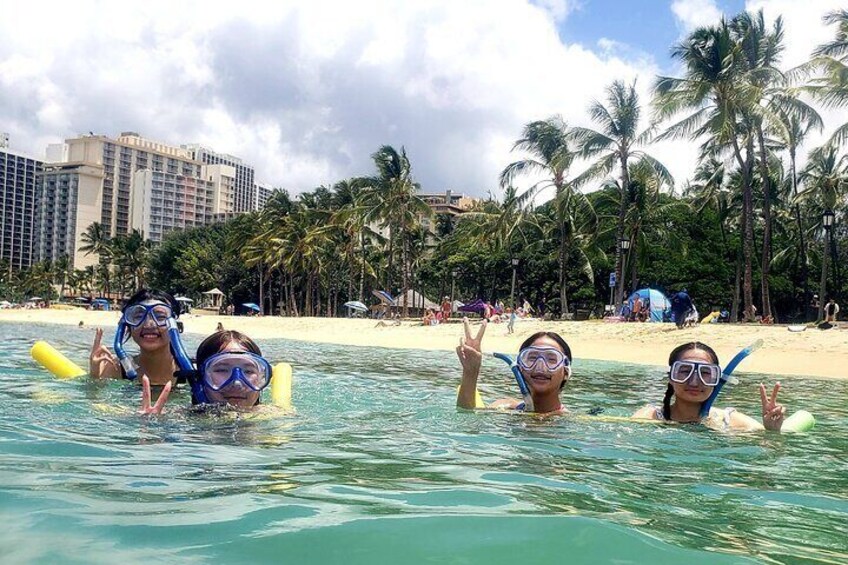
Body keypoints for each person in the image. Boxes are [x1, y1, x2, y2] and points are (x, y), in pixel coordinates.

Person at [632, 341, 787, 432]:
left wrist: (772, 431)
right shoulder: (649, 417)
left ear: (716, 379)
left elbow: (768, 458)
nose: (694, 382)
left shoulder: (731, 421)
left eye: (705, 373)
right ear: (671, 377)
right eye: (685, 371)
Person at [139, 330, 273, 414]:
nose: (237, 382)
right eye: (221, 370)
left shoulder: (278, 418)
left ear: (261, 377)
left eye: (249, 371)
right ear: (201, 378)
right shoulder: (178, 418)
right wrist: (151, 425)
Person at [456, 318, 571, 414]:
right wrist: (470, 373)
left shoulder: (572, 424)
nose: (540, 366)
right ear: (519, 367)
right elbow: (468, 425)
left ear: (566, 373)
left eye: (551, 359)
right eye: (531, 358)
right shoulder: (503, 407)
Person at [89, 289, 182, 389]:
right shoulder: (116, 368)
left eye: (160, 317)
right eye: (139, 316)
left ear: (175, 325)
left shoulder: (193, 371)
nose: (148, 324)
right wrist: (94, 380)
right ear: (126, 325)